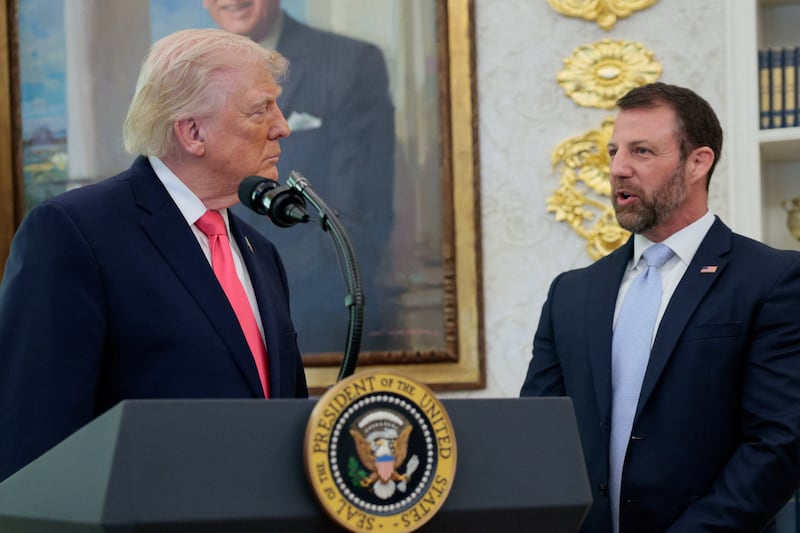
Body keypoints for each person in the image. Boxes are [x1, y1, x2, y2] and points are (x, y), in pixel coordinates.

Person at [0, 28, 308, 483]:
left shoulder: (259, 252)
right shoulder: (74, 232)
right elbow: (32, 440)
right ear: (192, 132)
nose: (281, 125)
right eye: (260, 109)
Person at [521, 82, 800, 532]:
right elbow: (539, 438)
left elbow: (778, 444)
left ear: (697, 162)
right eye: (614, 152)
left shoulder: (771, 281)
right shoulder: (571, 294)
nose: (618, 169)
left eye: (642, 152)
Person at [204, 0, 396, 354]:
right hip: (209, 332)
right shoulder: (189, 77)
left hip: (312, 323)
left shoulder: (349, 64)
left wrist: (250, 285)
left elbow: (357, 219)